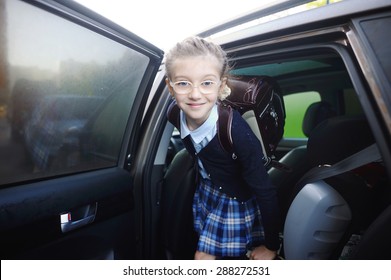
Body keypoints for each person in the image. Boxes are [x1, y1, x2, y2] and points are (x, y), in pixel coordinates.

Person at [165, 36, 281, 260]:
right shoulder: (173, 114)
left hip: (234, 201)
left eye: (207, 82)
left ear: (222, 85)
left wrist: (271, 245)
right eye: (183, 83)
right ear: (170, 87)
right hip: (206, 193)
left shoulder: (236, 132)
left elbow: (265, 190)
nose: (195, 94)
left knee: (202, 259)